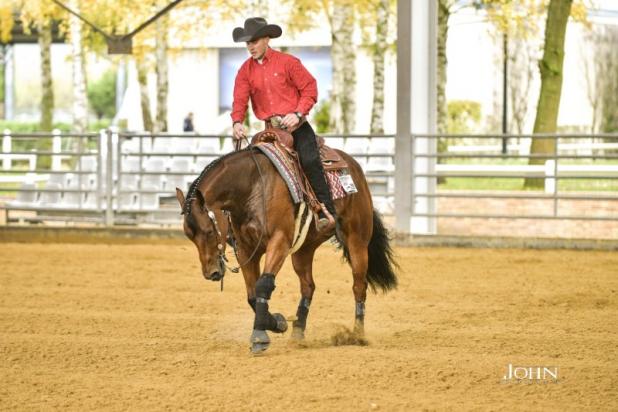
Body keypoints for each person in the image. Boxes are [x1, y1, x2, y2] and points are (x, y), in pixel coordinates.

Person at [231, 17, 335, 232]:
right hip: (269, 130)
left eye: (255, 41)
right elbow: (239, 99)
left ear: (267, 39)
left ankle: (326, 210)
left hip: (297, 127)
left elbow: (309, 88)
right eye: (247, 43)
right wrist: (237, 122)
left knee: (309, 160)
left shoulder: (288, 62)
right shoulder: (245, 70)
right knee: (250, 166)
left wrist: (297, 113)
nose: (250, 47)